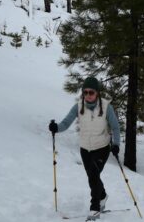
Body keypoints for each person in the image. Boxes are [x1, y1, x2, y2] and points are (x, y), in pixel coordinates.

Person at [48, 77, 120, 221]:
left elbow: (115, 127)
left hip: (102, 147)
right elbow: (66, 123)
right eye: (85, 92)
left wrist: (116, 144)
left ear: (97, 93)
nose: (88, 95)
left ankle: (95, 209)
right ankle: (103, 196)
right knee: (92, 178)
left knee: (93, 175)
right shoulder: (78, 106)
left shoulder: (106, 107)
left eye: (91, 92)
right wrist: (56, 128)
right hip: (85, 149)